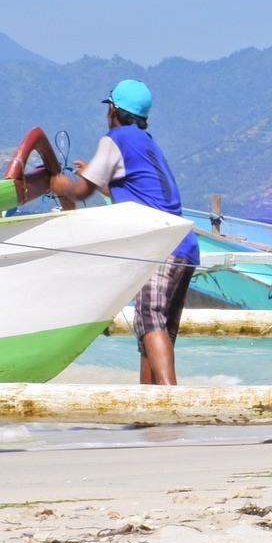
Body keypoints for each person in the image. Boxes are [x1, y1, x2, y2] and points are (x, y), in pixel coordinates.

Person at [50, 79, 199, 385]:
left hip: (158, 246)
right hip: (184, 245)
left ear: (114, 111)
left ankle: (174, 400)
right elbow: (134, 188)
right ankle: (149, 413)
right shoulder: (147, 141)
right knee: (155, 332)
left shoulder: (114, 138)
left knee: (149, 324)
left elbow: (80, 192)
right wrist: (90, 175)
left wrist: (60, 184)